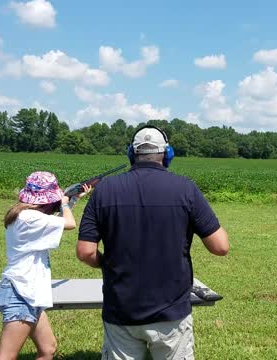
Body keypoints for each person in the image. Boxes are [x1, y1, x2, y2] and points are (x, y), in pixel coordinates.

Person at [76, 125, 229, 360]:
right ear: (167, 155)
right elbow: (220, 247)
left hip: (121, 311)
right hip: (172, 313)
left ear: (131, 154)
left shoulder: (104, 190)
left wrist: (107, 263)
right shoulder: (186, 188)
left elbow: (86, 252)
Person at [0, 171, 90, 360]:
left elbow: (57, 221)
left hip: (30, 293)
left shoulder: (26, 215)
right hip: (21, 293)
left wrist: (72, 201)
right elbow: (69, 223)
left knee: (48, 349)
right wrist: (64, 203)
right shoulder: (29, 218)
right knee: (6, 356)